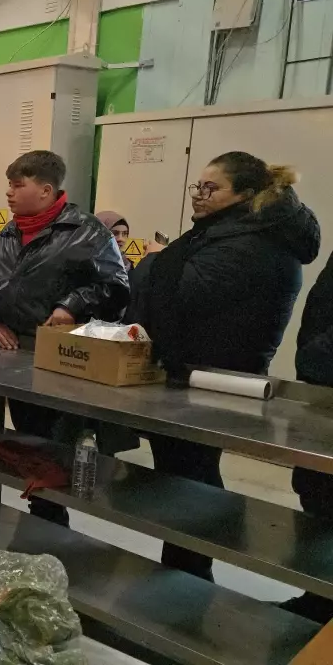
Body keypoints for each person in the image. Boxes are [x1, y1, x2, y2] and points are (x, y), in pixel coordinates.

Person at [127, 151, 319, 581]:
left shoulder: (251, 245)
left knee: (191, 473)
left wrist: (156, 259)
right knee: (182, 470)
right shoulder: (235, 233)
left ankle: (192, 568)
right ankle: (183, 562)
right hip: (198, 372)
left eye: (211, 188)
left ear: (246, 194)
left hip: (218, 377)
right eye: (199, 186)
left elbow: (178, 294)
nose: (199, 194)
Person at [0, 150, 129, 527]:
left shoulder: (87, 233)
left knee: (60, 448)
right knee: (28, 443)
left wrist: (71, 306)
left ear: (45, 190)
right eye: (9, 185)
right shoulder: (3, 239)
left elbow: (116, 287)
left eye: (17, 185)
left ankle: (53, 521)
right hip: (15, 360)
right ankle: (41, 512)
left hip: (67, 360)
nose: (9, 194)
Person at [281, 252, 333, 624]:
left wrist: (314, 357)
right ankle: (317, 601)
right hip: (320, 401)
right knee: (317, 499)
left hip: (324, 384)